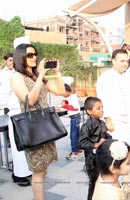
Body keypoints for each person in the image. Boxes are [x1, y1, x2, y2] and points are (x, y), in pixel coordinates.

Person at [10, 43, 65, 200]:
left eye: (35, 54)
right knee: (38, 171)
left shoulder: (34, 76)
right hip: (33, 128)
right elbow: (30, 101)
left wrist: (57, 73)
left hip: (45, 126)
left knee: (44, 169)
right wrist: (41, 75)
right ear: (20, 57)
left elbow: (61, 91)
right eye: (29, 55)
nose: (34, 57)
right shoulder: (17, 77)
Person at [78, 97, 112, 200]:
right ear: (89, 111)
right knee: (93, 183)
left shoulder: (101, 123)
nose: (101, 110)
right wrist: (95, 145)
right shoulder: (86, 126)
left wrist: (110, 141)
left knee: (102, 181)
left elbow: (105, 135)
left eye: (102, 107)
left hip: (102, 156)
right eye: (98, 108)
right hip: (92, 159)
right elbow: (81, 143)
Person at [96, 49, 130, 145]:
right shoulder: (105, 78)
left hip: (127, 119)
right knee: (115, 150)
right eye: (122, 61)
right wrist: (108, 121)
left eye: (126, 61)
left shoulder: (127, 77)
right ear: (113, 61)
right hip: (113, 121)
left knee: (127, 148)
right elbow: (102, 101)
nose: (125, 64)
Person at [62, 84, 82, 160]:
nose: (62, 95)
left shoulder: (72, 98)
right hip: (76, 117)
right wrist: (66, 103)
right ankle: (78, 149)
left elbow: (75, 108)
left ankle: (74, 152)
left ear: (67, 91)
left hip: (74, 117)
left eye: (63, 93)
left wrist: (65, 106)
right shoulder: (72, 97)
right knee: (77, 134)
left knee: (73, 136)